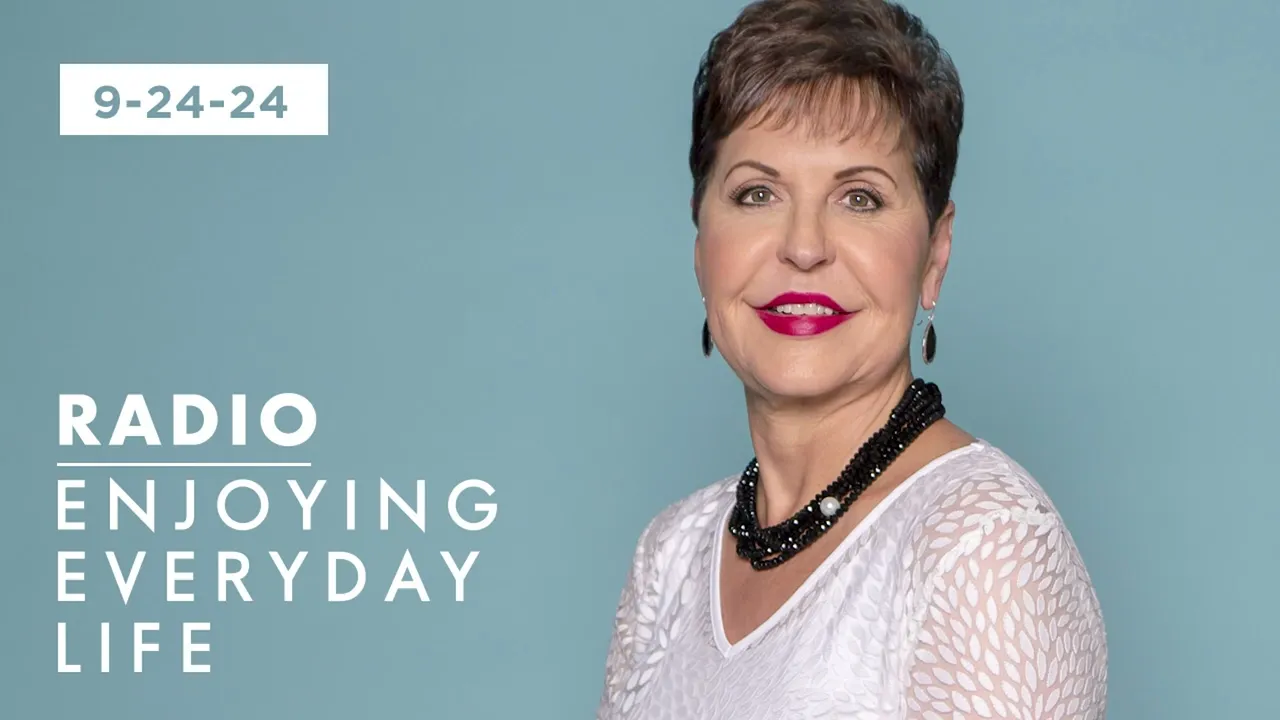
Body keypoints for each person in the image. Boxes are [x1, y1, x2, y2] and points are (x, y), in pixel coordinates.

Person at [595, 0, 1108, 718]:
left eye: (860, 198)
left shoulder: (984, 543)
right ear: (701, 245)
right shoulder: (672, 555)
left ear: (935, 253)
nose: (804, 247)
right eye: (757, 193)